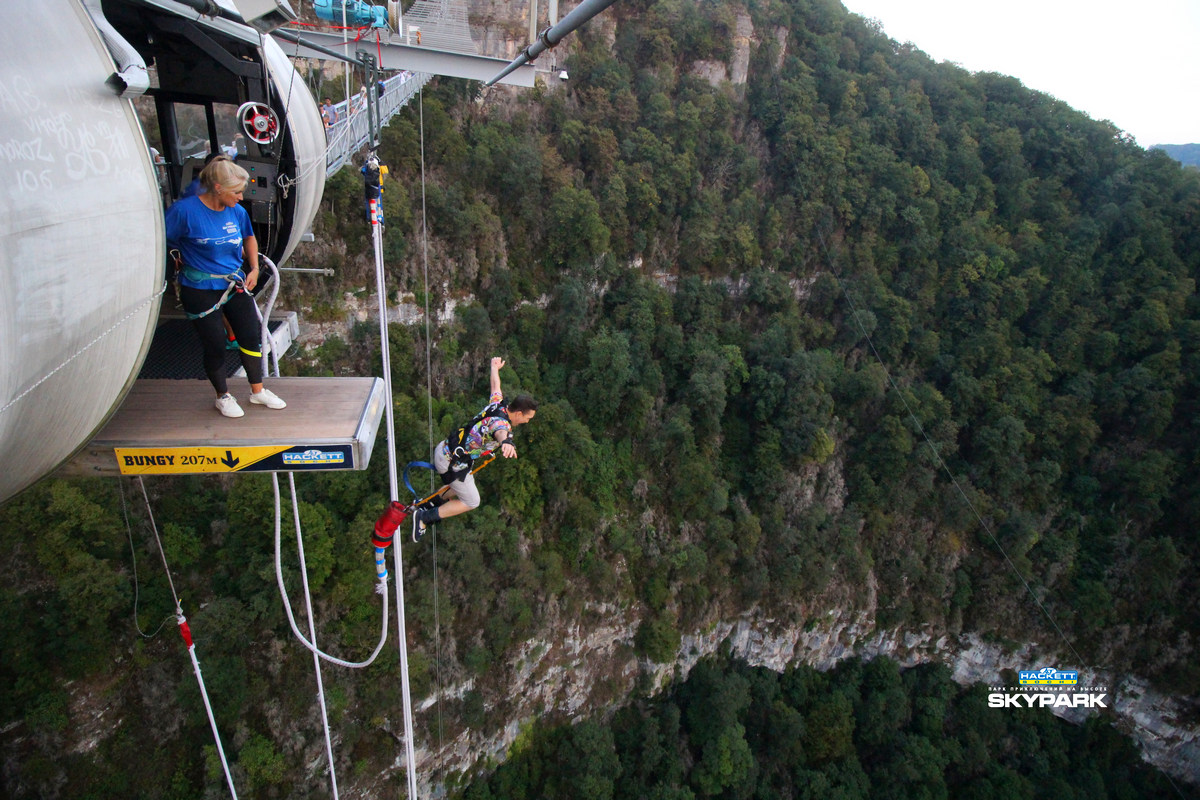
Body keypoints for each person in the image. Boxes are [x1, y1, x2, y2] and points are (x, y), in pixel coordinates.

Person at [165, 155, 287, 418]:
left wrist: (254, 268)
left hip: (234, 283)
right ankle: (223, 395)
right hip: (199, 288)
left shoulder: (236, 212)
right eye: (237, 192)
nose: (241, 197)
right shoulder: (184, 212)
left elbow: (249, 238)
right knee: (216, 344)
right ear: (218, 188)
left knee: (250, 335)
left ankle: (257, 391)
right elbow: (163, 240)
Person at [413, 357, 538, 538]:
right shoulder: (502, 424)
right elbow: (500, 431)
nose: (527, 422)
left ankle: (429, 503)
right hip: (451, 463)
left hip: (446, 449)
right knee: (472, 501)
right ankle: (424, 517)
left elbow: (496, 386)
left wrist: (494, 368)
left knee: (463, 486)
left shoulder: (498, 405)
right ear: (518, 413)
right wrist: (506, 442)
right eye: (527, 418)